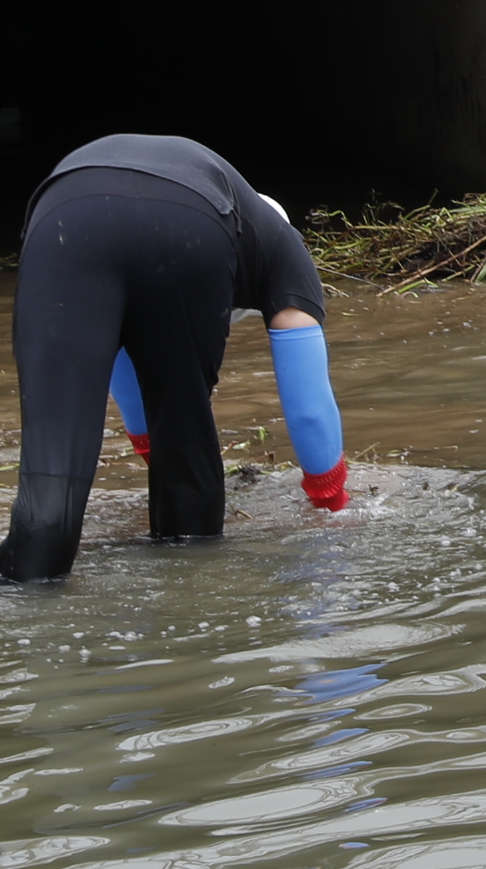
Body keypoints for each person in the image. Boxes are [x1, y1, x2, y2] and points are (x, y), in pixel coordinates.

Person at [6, 134, 347, 584]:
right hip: (193, 225)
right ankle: (187, 604)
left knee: (49, 490)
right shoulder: (285, 248)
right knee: (188, 456)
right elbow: (308, 407)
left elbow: (124, 356)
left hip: (67, 214)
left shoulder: (244, 213)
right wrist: (332, 501)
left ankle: (25, 597)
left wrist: (150, 451)